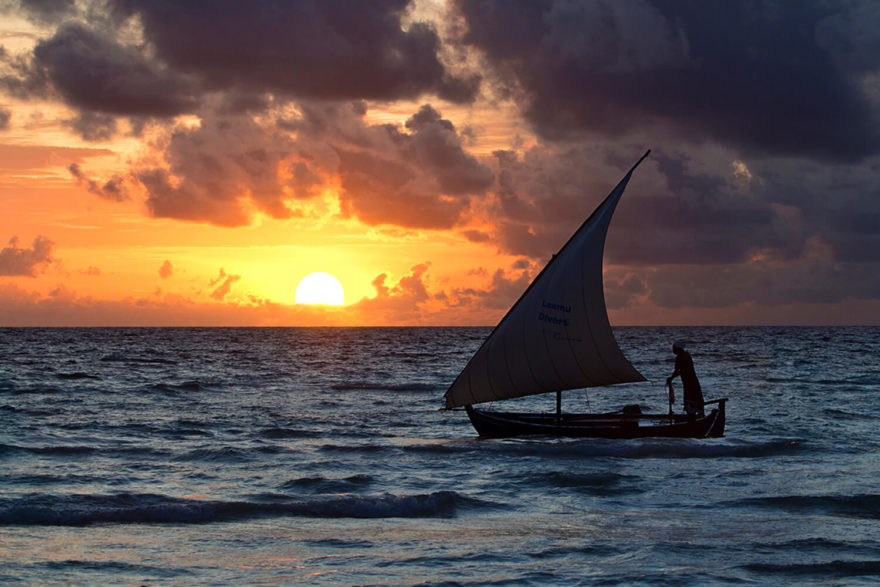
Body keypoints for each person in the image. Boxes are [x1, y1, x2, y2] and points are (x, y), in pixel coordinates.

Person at [666, 341, 704, 417]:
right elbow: (681, 370)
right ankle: (699, 415)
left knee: (690, 399)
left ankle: (692, 417)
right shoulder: (687, 355)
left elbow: (677, 370)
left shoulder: (680, 357)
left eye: (674, 348)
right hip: (693, 381)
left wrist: (671, 378)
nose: (673, 350)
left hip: (688, 383)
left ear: (678, 348)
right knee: (697, 398)